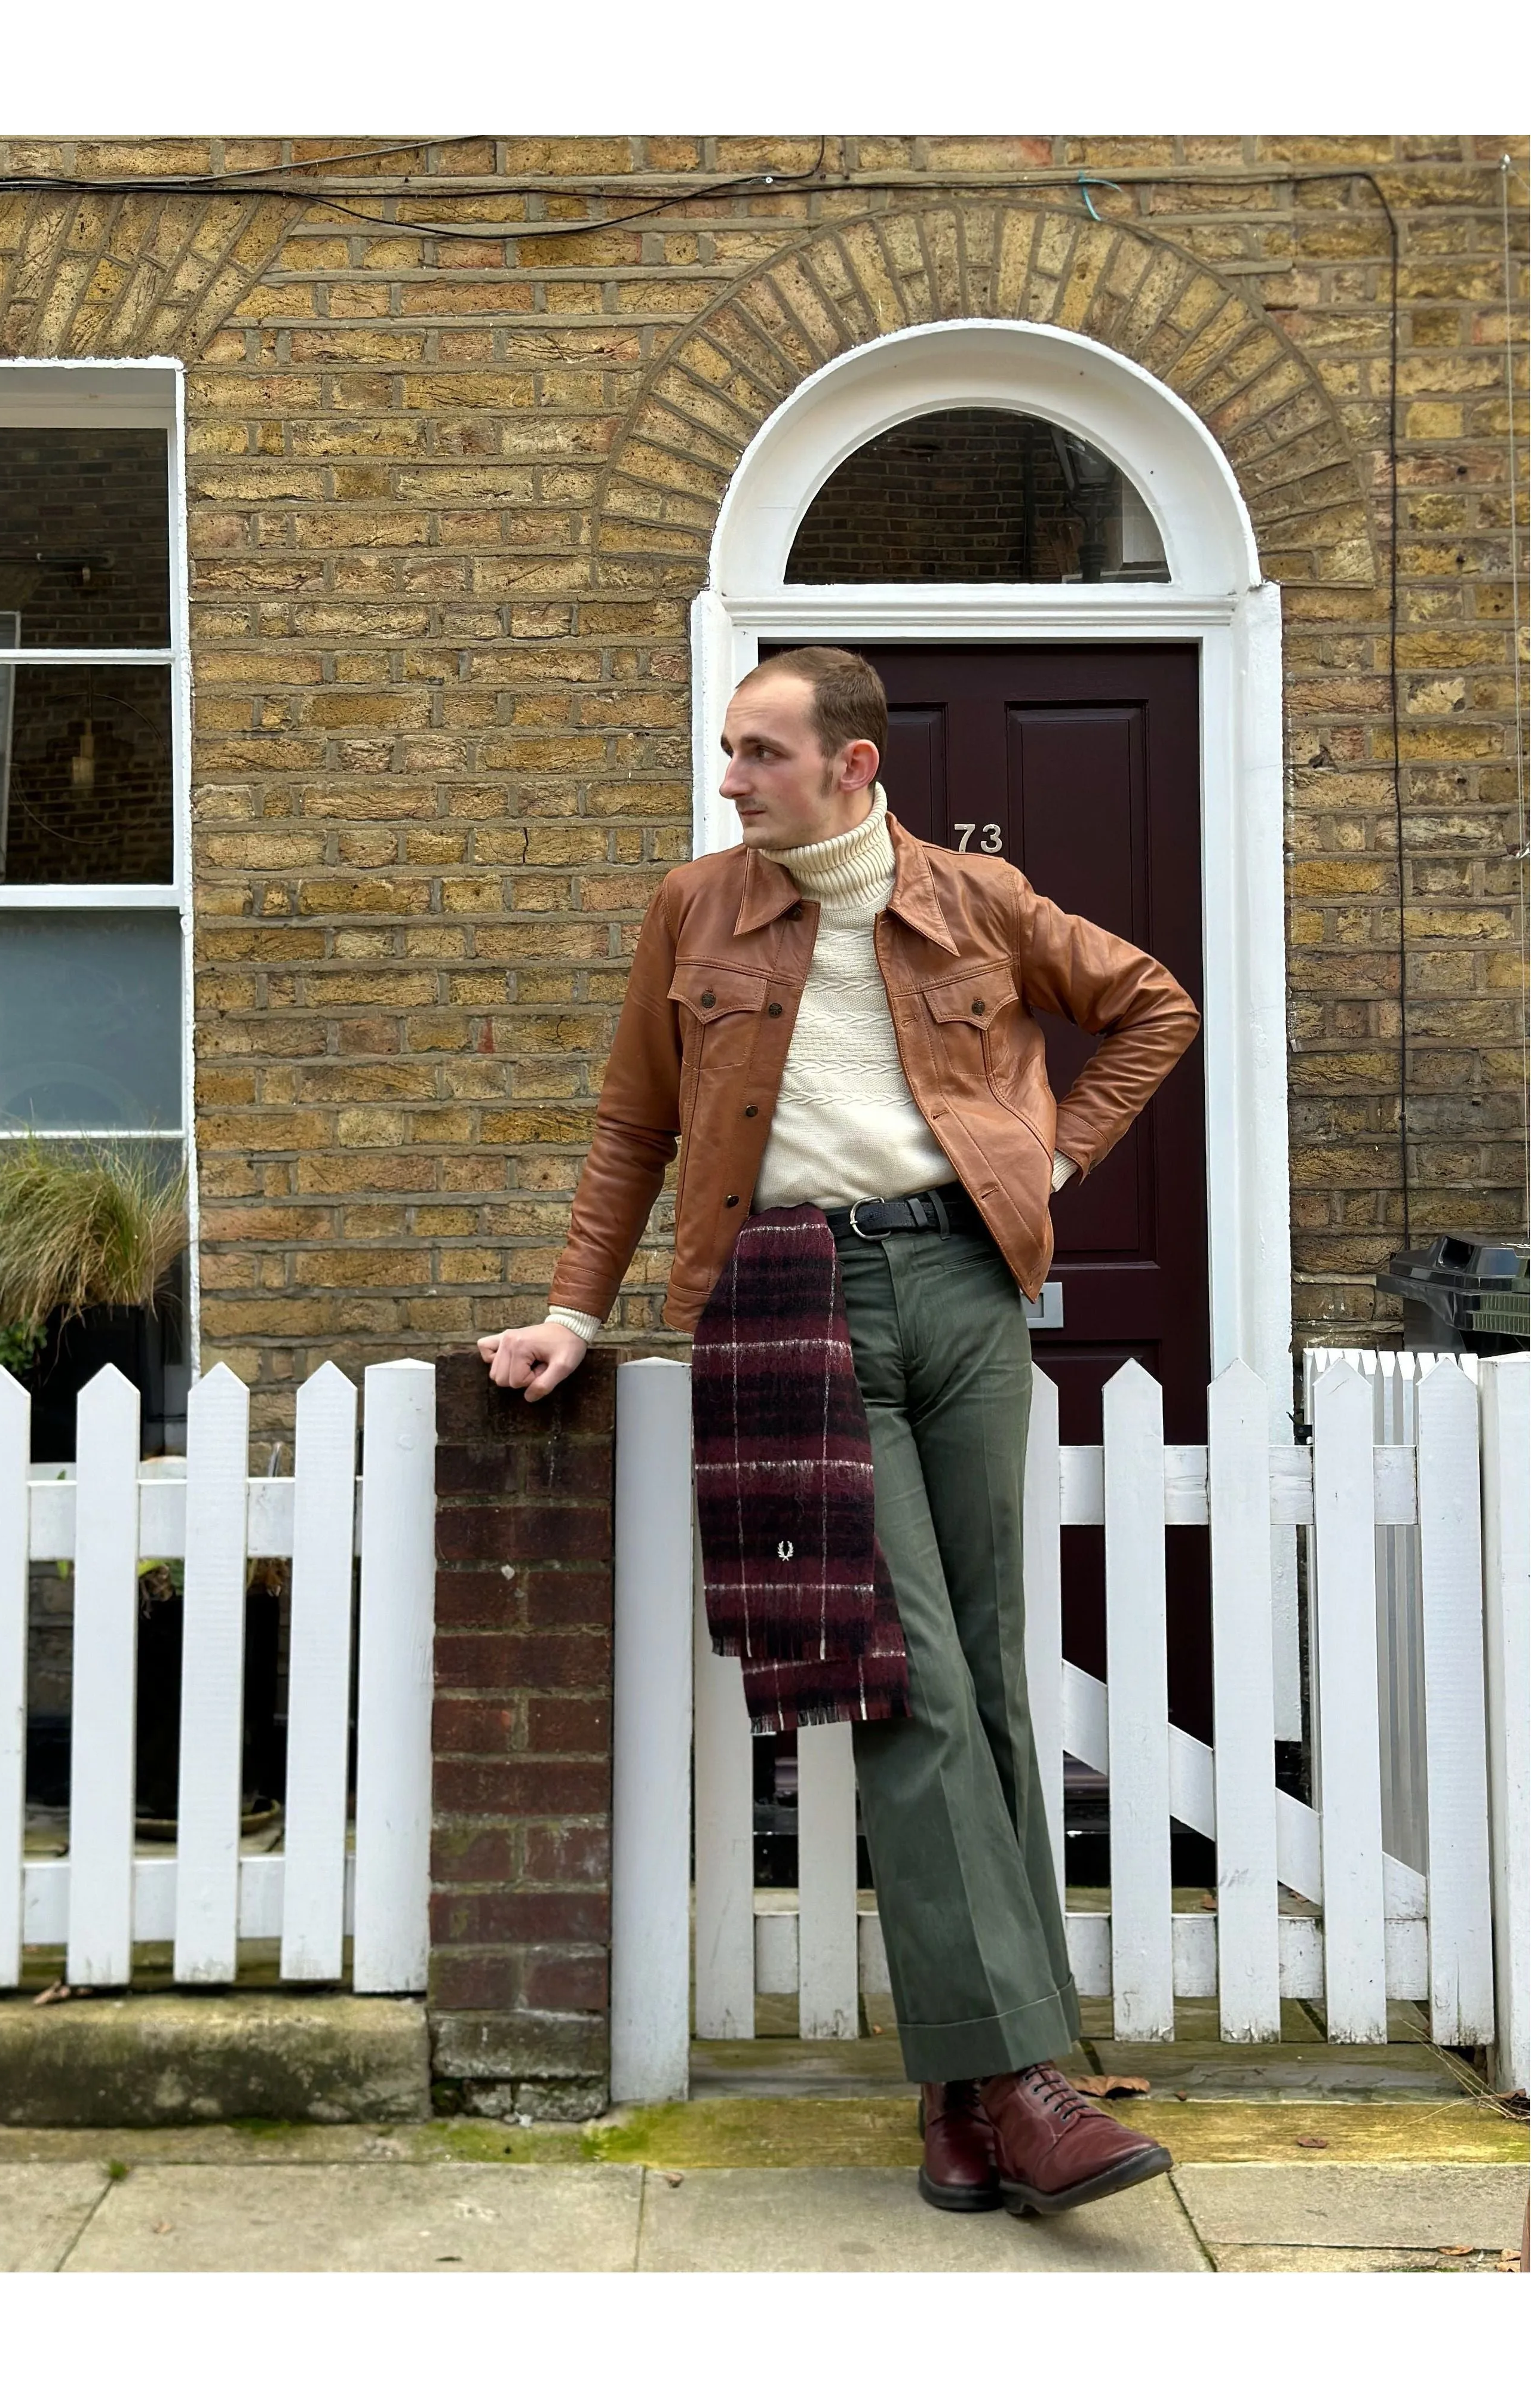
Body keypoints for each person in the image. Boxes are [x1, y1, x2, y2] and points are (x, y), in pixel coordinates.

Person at [480, 647, 1198, 2216]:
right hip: (793, 1293)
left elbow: (1153, 1005)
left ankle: (967, 2100)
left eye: (759, 753)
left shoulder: (977, 902)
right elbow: (635, 1123)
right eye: (730, 752)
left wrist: (1051, 1167)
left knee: (986, 1681)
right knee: (910, 1678)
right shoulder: (696, 910)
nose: (730, 778)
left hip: (966, 1287)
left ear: (852, 767)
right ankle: (1024, 2082)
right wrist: (575, 1310)